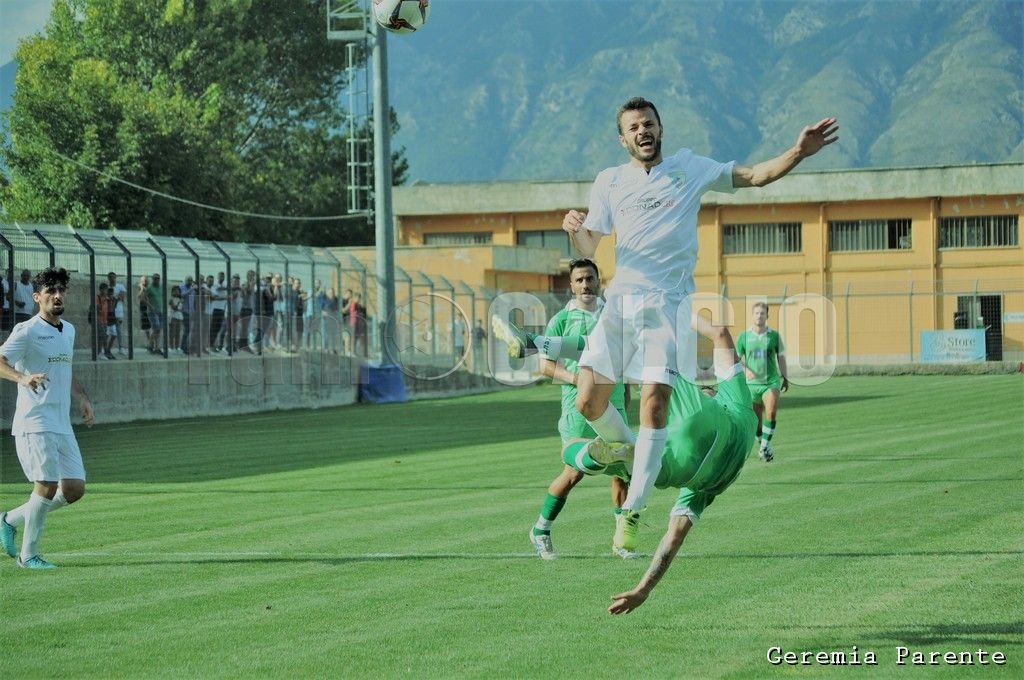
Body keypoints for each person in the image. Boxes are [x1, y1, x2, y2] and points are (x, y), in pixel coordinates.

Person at [561, 97, 837, 550]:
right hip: (621, 304)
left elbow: (753, 176)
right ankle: (628, 452)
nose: (642, 131)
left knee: (654, 404)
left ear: (660, 128)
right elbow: (589, 246)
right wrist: (575, 226)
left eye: (648, 123)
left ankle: (630, 512)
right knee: (589, 404)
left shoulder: (689, 168)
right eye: (633, 127)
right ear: (623, 138)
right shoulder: (609, 182)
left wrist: (798, 151)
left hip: (668, 304)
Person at [495, 257, 633, 560]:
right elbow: (546, 367)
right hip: (577, 406)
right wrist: (580, 382)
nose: (586, 284)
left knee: (624, 473)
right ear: (571, 286)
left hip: (614, 403)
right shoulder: (561, 320)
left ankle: (621, 540)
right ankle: (540, 530)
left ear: (599, 281)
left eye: (590, 278)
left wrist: (625, 397)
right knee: (574, 473)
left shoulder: (613, 318)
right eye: (580, 279)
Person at [0, 267, 96, 569]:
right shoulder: (26, 330)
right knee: (46, 485)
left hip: (61, 423)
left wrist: (81, 397)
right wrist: (22, 377)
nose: (57, 296)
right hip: (35, 421)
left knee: (74, 488)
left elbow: (63, 371)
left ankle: (8, 520)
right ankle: (28, 556)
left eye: (61, 291)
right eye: (50, 291)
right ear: (37, 297)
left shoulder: (68, 330)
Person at [736, 301, 789, 462]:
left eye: (762, 313)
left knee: (771, 412)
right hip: (751, 386)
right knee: (756, 422)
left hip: (770, 382)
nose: (759, 316)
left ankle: (764, 447)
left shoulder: (774, 336)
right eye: (757, 313)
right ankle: (762, 443)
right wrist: (746, 371)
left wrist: (785, 377)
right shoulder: (743, 337)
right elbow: (736, 360)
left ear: (767, 315)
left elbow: (781, 357)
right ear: (753, 315)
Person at [106, 271, 127, 354]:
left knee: (118, 330)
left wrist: (113, 297)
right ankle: (106, 348)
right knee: (108, 331)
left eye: (113, 277)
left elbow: (122, 297)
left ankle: (120, 348)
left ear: (115, 277)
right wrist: (116, 296)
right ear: (108, 278)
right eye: (110, 277)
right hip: (109, 312)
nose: (112, 279)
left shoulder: (120, 286)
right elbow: (107, 298)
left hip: (118, 312)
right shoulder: (107, 288)